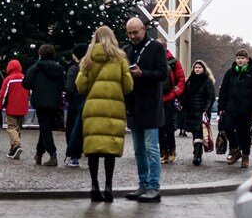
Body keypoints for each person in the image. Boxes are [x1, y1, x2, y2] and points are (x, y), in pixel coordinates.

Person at [76, 26, 133, 203]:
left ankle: (94, 186)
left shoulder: (88, 58)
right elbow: (128, 86)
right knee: (110, 149)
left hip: (93, 108)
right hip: (113, 109)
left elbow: (81, 85)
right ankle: (109, 186)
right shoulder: (120, 58)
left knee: (93, 149)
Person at [122, 17, 169, 203]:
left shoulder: (156, 48)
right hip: (133, 106)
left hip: (150, 105)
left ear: (143, 29)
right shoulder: (126, 50)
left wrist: (143, 74)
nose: (132, 36)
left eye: (135, 32)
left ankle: (153, 186)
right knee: (138, 149)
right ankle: (142, 184)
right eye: (129, 33)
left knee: (151, 148)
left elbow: (163, 74)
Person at [217, 49, 252, 169]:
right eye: (238, 58)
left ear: (247, 60)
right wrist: (221, 107)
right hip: (231, 108)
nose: (240, 60)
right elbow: (223, 91)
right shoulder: (229, 73)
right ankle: (235, 149)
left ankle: (245, 155)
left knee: (244, 133)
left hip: (246, 110)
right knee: (227, 127)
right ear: (235, 59)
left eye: (242, 58)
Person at [23, 44, 66, 167]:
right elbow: (64, 84)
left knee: (45, 128)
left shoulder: (35, 68)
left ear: (40, 54)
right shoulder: (58, 68)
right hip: (54, 103)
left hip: (40, 102)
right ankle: (39, 153)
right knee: (45, 128)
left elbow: (26, 83)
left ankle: (53, 154)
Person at [182, 60, 216, 165]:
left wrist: (206, 110)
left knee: (198, 133)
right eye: (196, 67)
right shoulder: (190, 81)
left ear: (203, 69)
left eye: (199, 67)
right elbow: (185, 94)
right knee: (194, 133)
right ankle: (197, 151)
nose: (197, 69)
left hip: (202, 112)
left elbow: (211, 97)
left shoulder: (207, 81)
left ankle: (197, 156)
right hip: (190, 111)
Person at [158, 44, 186, 164]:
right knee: (159, 127)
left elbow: (181, 78)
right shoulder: (154, 60)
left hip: (169, 98)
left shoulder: (174, 62)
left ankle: (171, 149)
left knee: (168, 125)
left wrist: (176, 92)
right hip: (157, 98)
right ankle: (163, 151)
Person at [0, 59, 30, 159]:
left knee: (11, 128)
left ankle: (16, 145)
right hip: (23, 107)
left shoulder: (8, 79)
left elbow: (2, 95)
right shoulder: (25, 78)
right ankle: (13, 151)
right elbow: (28, 92)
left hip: (12, 107)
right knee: (18, 129)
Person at [64, 43, 89, 168]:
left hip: (75, 103)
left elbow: (69, 87)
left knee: (72, 130)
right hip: (88, 102)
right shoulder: (90, 67)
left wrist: (68, 99)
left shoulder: (74, 69)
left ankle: (74, 156)